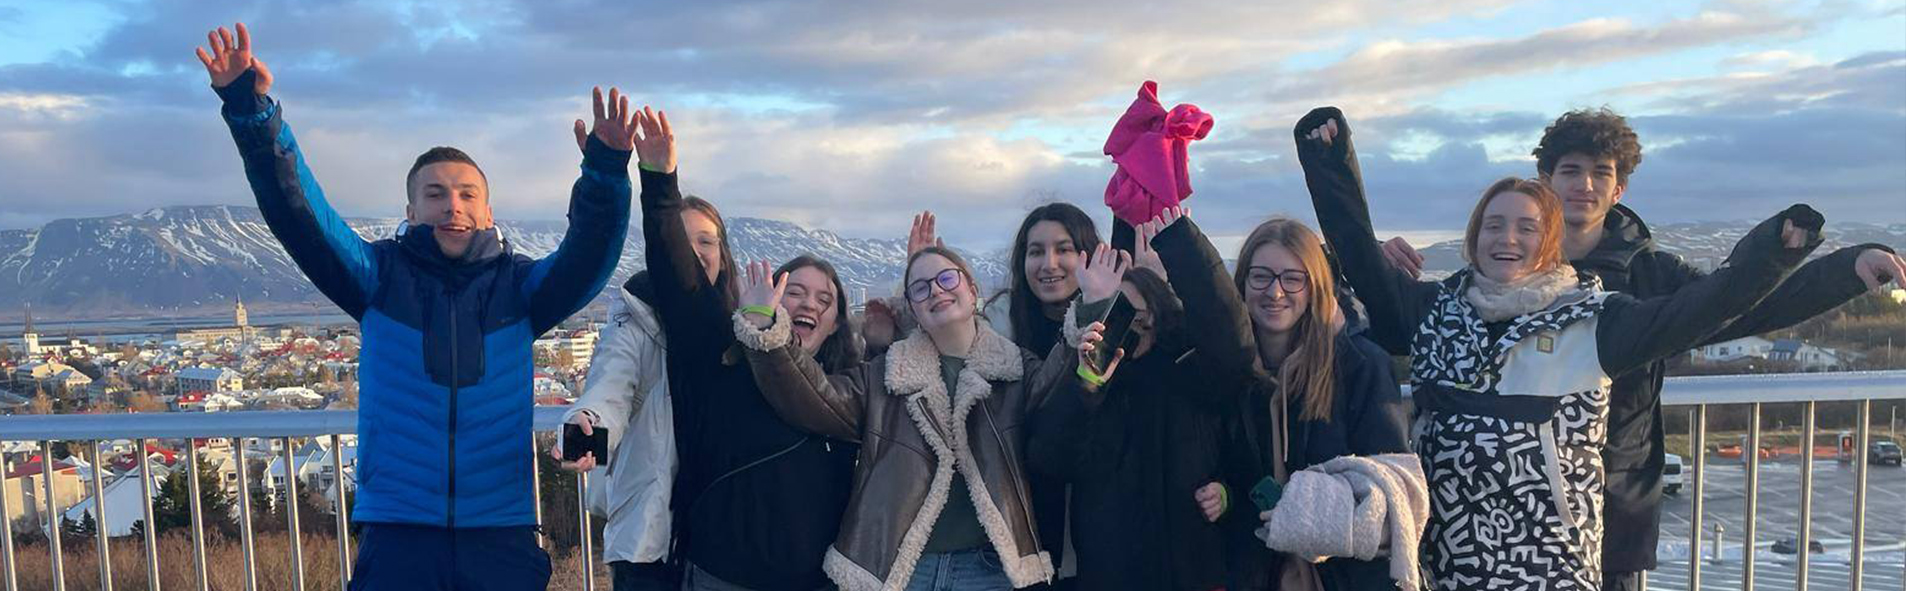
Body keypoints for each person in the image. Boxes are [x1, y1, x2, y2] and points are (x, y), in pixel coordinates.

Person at [1373, 108, 1906, 590]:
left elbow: (1739, 307)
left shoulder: (1651, 274)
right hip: (1489, 518)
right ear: (1545, 181)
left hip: (1614, 496)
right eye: (1570, 170)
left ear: (1619, 189)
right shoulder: (1495, 277)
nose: (1584, 185)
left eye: (1601, 173)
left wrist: (1843, 272)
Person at [197, 22, 631, 589]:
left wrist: (605, 172)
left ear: (488, 212)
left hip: (499, 527)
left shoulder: (520, 289)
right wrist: (251, 113)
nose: (453, 205)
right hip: (398, 528)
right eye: (435, 193)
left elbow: (588, 257)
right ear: (410, 209)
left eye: (467, 194)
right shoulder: (377, 277)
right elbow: (298, 212)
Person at [731, 243, 1090, 590]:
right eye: (920, 287)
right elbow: (814, 397)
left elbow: (1059, 391)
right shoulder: (883, 376)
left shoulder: (1015, 371)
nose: (936, 290)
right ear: (912, 310)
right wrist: (766, 330)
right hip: (898, 570)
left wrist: (1094, 307)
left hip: (988, 568)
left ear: (972, 290)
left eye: (946, 278)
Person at [634, 113, 860, 591]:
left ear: (838, 322)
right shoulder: (725, 357)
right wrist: (660, 186)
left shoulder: (845, 387)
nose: (809, 304)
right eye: (794, 291)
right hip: (723, 575)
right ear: (766, 295)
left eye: (824, 300)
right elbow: (683, 287)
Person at [1025, 208, 1263, 591]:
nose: (1132, 326)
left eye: (1139, 314)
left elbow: (1232, 346)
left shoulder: (1191, 373)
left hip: (1193, 573)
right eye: (1118, 314)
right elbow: (1051, 457)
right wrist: (1086, 383)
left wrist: (1226, 495)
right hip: (1110, 576)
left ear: (1159, 314)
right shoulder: (1093, 384)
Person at [1232, 217, 1411, 590]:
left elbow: (1392, 490)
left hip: (1344, 578)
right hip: (1254, 574)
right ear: (1242, 283)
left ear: (1315, 287)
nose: (1275, 292)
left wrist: (1314, 515)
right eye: (1261, 276)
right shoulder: (1228, 374)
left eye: (1292, 279)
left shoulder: (1360, 365)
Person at [550, 268, 679, 591]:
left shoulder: (730, 324)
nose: (694, 254)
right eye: (684, 244)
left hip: (716, 539)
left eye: (706, 243)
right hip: (647, 536)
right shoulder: (632, 327)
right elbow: (610, 389)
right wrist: (585, 426)